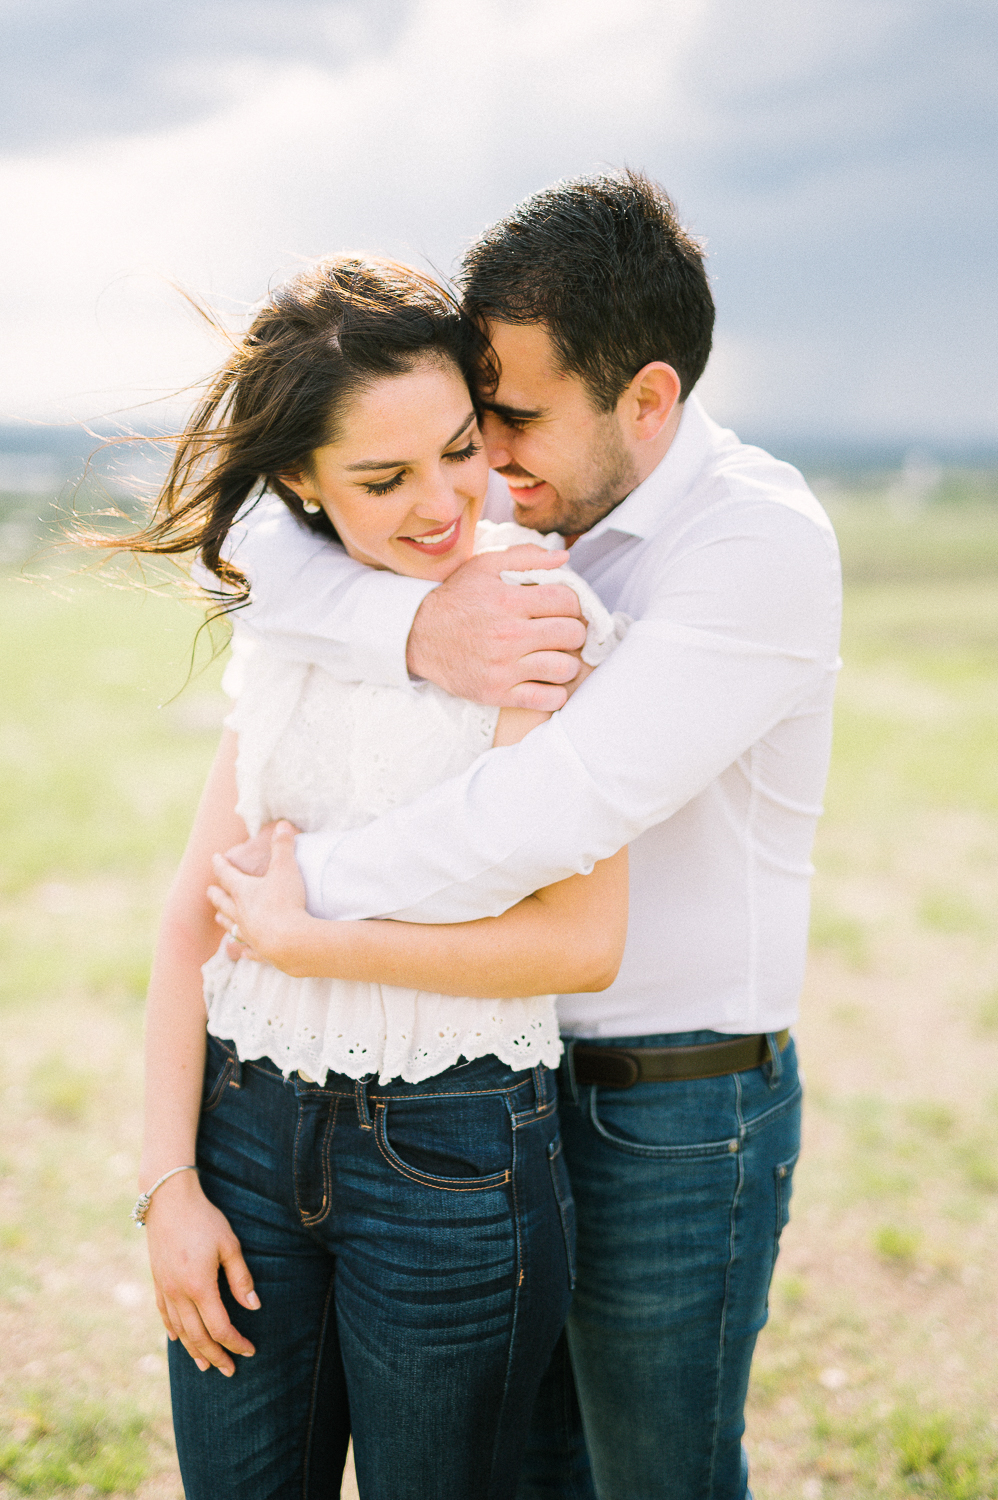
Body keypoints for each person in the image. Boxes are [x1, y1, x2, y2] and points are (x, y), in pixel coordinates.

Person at [211, 171, 843, 1500]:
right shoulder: (517, 505)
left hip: (675, 1106)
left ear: (649, 399)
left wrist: (304, 902)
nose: (483, 461)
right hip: (506, 1092)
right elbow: (269, 538)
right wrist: (410, 628)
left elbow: (541, 816)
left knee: (652, 1479)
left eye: (511, 419)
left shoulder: (755, 545)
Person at [119, 257, 631, 1500]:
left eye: (460, 448)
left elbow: (580, 942)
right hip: (241, 1134)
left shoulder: (541, 615)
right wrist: (166, 1185)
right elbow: (196, 906)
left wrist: (318, 944)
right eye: (383, 478)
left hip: (455, 1155)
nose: (444, 500)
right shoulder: (288, 623)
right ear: (299, 479)